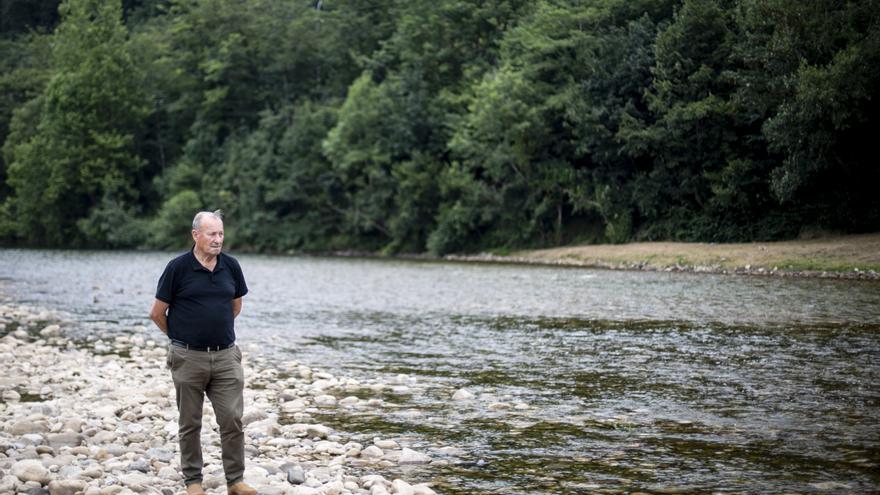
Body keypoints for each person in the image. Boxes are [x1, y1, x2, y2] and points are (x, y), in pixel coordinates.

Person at [149, 210, 256, 495]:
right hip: (188, 357)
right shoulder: (177, 268)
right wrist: (180, 339)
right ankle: (193, 482)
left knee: (232, 419)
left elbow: (235, 306)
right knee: (190, 422)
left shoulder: (231, 266)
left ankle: (235, 481)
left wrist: (214, 330)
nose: (218, 239)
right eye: (212, 234)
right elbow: (158, 313)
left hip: (226, 357)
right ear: (196, 235)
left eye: (220, 234)